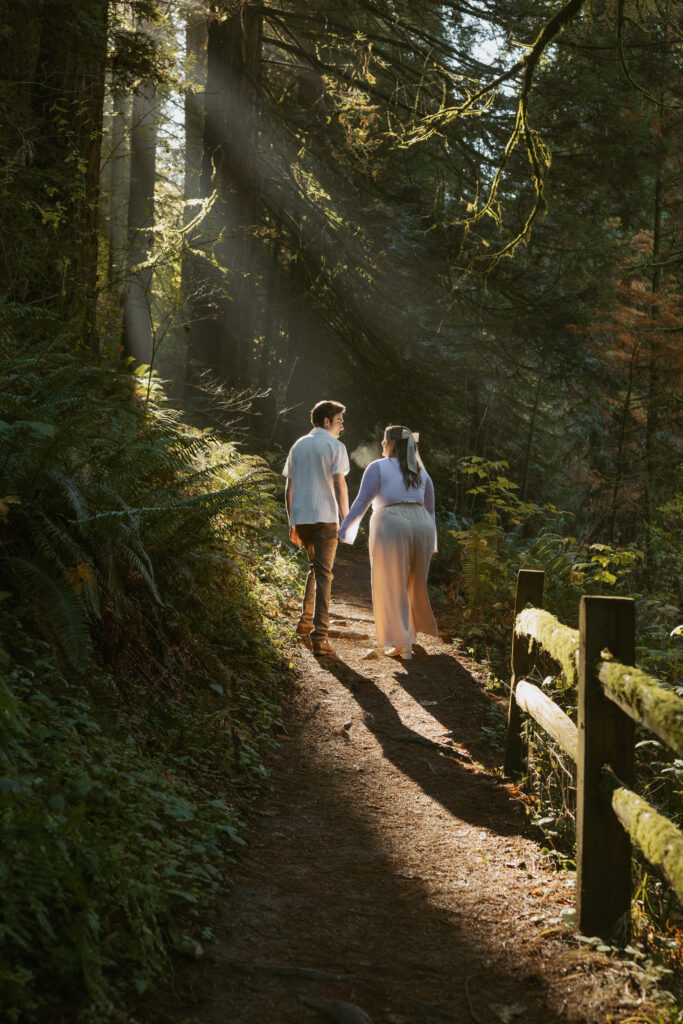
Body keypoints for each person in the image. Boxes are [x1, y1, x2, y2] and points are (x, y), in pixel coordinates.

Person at [338, 425, 438, 660]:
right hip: (422, 524)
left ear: (393, 443)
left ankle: (403, 643)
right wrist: (433, 543)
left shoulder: (378, 467)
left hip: (392, 522)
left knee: (391, 581)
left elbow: (362, 501)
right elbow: (430, 509)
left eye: (384, 441)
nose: (381, 444)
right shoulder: (421, 471)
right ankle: (411, 635)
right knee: (415, 581)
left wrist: (344, 530)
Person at [283, 400, 350, 656]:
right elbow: (339, 484)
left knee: (316, 568)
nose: (342, 426)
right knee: (325, 575)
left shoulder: (298, 445)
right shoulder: (335, 446)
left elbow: (289, 487)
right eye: (339, 420)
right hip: (325, 518)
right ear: (326, 421)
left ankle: (305, 622)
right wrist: (346, 518)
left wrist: (292, 523)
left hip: (302, 519)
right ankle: (319, 637)